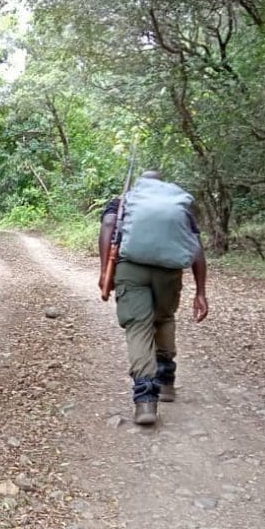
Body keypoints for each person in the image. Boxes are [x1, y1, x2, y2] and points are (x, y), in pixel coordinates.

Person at [98, 170, 209, 426]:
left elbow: (108, 224)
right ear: (163, 184)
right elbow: (195, 246)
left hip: (130, 268)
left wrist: (105, 271)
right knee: (164, 318)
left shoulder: (125, 200)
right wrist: (200, 292)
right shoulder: (177, 204)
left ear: (142, 183)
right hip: (169, 272)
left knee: (138, 327)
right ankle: (166, 382)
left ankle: (146, 401)